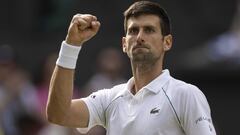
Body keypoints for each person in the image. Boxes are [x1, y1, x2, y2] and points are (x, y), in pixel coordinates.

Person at [46, 1, 216, 135]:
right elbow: (59, 114)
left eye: (149, 30)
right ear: (124, 44)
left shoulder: (186, 95)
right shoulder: (109, 98)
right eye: (133, 30)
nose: (140, 37)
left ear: (167, 42)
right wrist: (71, 45)